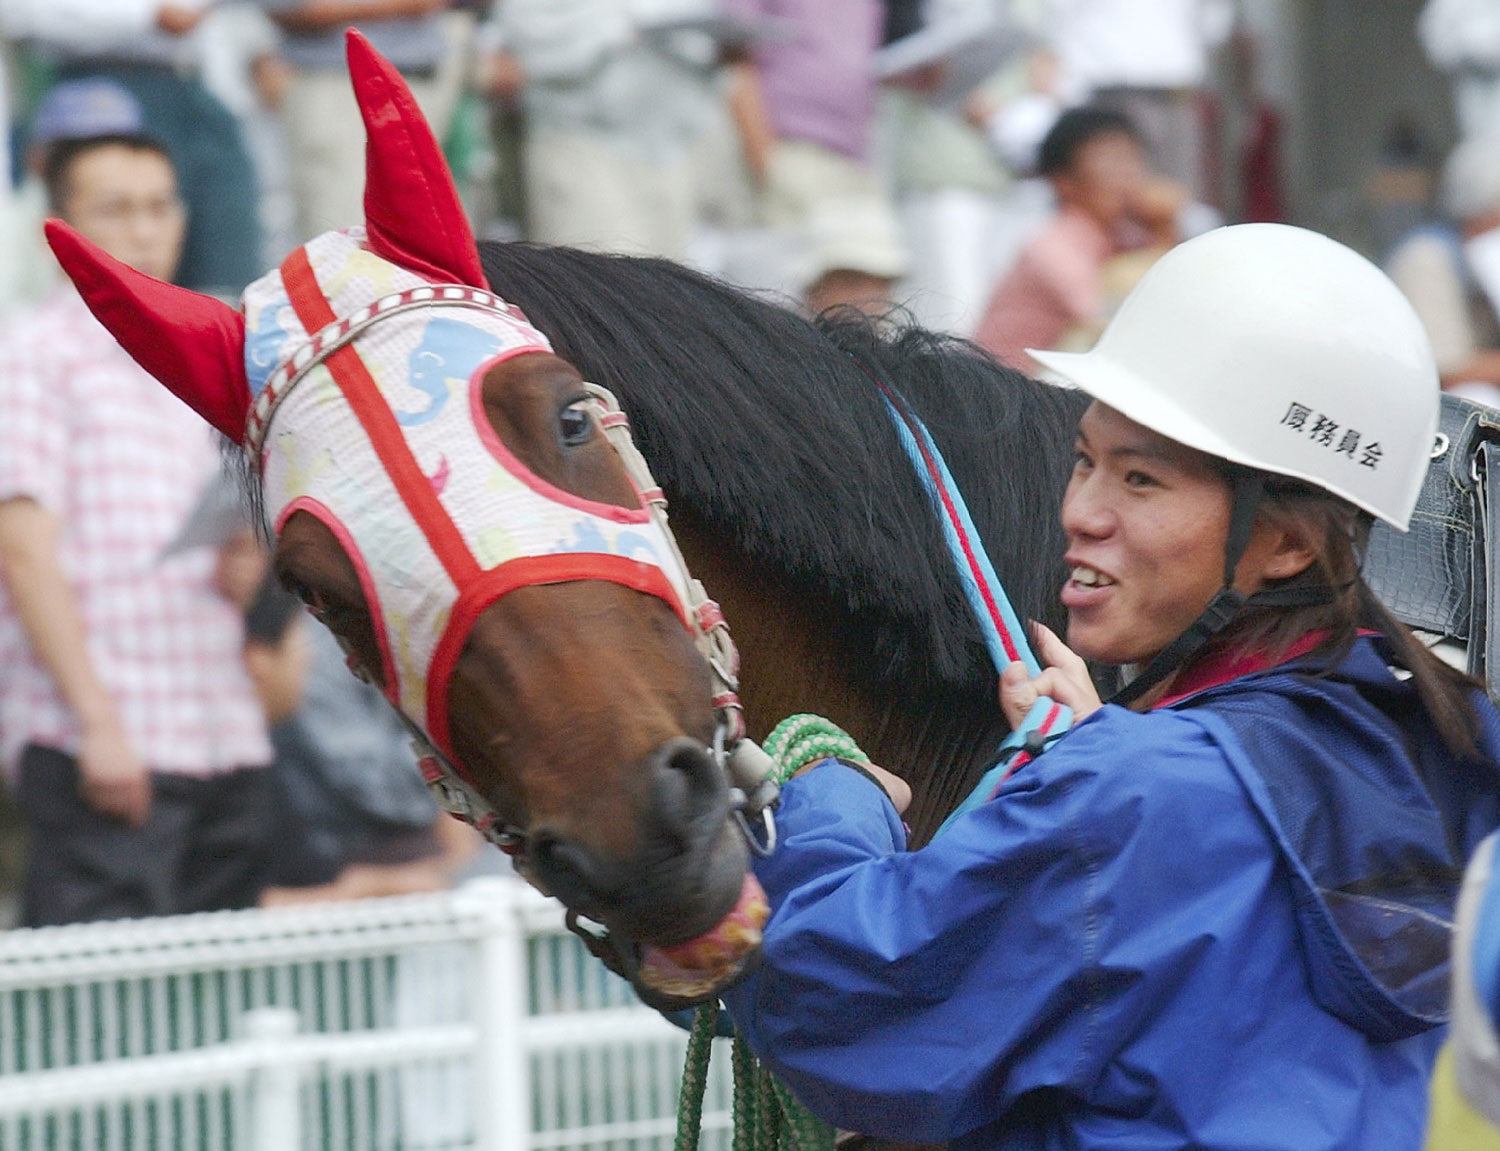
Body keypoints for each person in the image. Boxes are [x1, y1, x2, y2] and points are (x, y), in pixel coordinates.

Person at [719, 223, 1500, 1149]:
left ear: (1288, 541)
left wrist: (824, 796)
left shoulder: (1137, 792)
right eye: (1085, 460)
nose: (1082, 512)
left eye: (1141, 479)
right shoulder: (1445, 740)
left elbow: (838, 1007)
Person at [0, 132, 276, 926]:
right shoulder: (33, 353)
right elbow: (23, 555)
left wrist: (246, 564)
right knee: (107, 1014)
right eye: (115, 209)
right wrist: (96, 725)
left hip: (222, 724)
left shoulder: (206, 344)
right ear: (57, 226)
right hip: (105, 731)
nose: (145, 229)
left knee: (217, 1001)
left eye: (160, 206)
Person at [0, 0, 265, 296]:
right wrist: (145, 15)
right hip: (101, 79)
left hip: (201, 83)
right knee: (112, 277)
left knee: (224, 265)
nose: (144, 235)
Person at [720, 0, 909, 315]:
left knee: (868, 302)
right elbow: (734, 54)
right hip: (791, 150)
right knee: (785, 308)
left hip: (856, 158)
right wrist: (769, 163)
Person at [974, 105, 1182, 372]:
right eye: (1109, 165)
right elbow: (1113, 324)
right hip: (1008, 392)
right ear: (1063, 182)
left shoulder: (1124, 237)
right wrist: (1163, 233)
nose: (1127, 179)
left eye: (1132, 161)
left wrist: (1163, 227)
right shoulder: (1054, 245)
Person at [256, 0, 461, 241]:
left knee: (421, 243)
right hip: (339, 87)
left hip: (423, 80)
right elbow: (290, 7)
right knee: (348, 245)